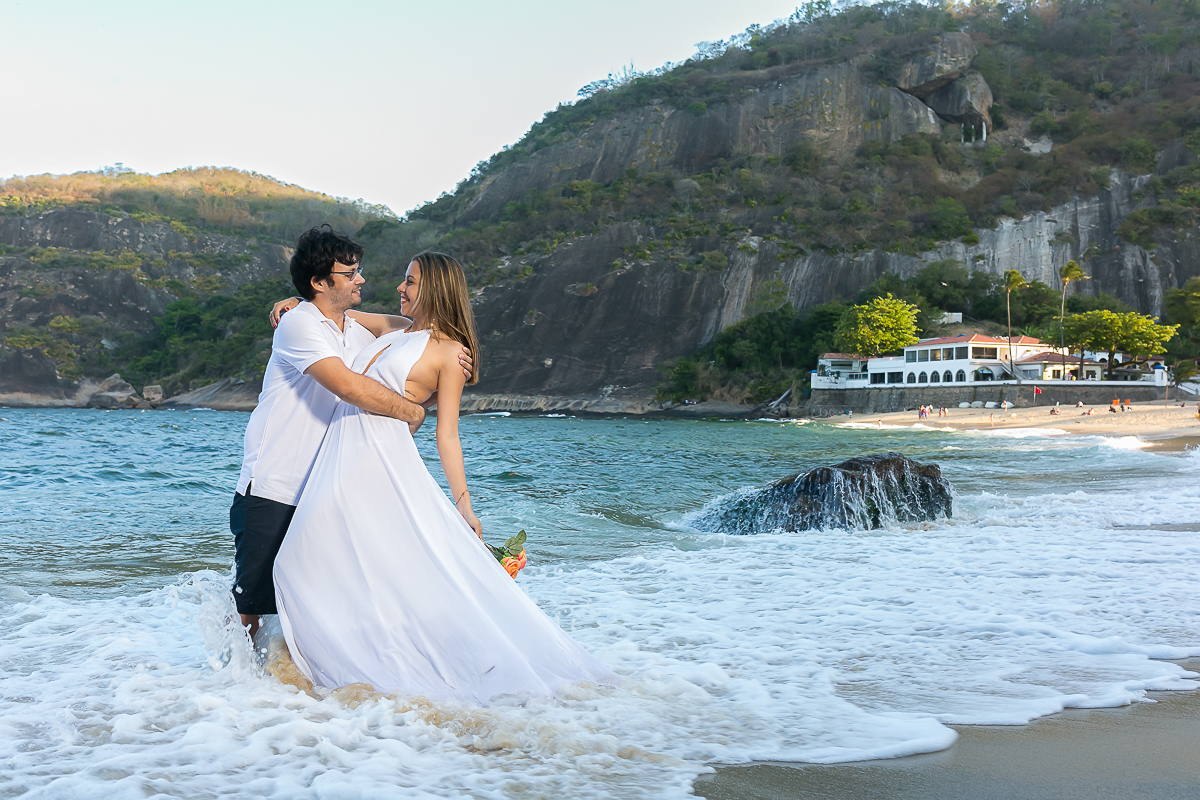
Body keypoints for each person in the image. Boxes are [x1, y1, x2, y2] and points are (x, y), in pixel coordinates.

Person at [273, 252, 612, 703]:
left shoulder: (452, 353)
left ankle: (340, 677)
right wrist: (288, 302)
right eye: (403, 280)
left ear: (433, 287)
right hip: (339, 451)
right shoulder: (395, 329)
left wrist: (464, 504)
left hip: (375, 459)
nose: (400, 288)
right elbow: (334, 310)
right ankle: (327, 673)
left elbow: (447, 435)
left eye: (410, 282)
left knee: (299, 560)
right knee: (328, 563)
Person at [231, 226, 471, 640]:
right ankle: (237, 691)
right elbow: (348, 385)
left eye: (358, 271)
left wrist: (436, 379)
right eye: (351, 273)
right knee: (251, 604)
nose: (362, 279)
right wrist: (412, 409)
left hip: (330, 487)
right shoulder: (298, 325)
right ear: (320, 283)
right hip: (277, 484)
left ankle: (296, 690)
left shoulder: (359, 330)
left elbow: (412, 342)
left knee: (316, 600)